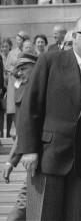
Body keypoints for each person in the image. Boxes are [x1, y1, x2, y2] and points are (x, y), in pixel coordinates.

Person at [17, 15, 81, 221]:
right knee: (44, 216)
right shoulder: (50, 61)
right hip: (48, 158)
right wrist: (29, 149)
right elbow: (30, 107)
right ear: (75, 36)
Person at [3, 53, 38, 221]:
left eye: (24, 68)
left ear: (36, 67)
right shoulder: (23, 90)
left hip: (44, 157)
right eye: (18, 70)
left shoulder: (41, 92)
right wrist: (11, 161)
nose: (20, 73)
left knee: (24, 203)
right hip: (35, 160)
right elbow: (23, 130)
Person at [4, 31, 29, 138]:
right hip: (14, 82)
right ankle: (16, 131)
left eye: (20, 39)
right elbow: (7, 66)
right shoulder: (12, 53)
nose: (17, 41)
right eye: (17, 39)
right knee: (14, 107)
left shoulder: (27, 50)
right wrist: (16, 71)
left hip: (25, 82)